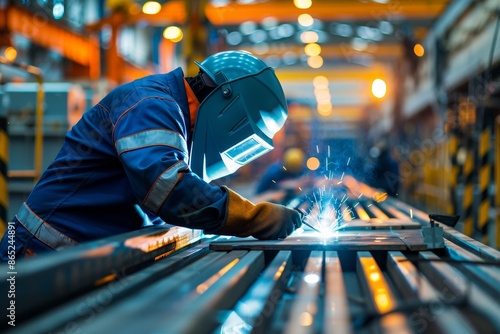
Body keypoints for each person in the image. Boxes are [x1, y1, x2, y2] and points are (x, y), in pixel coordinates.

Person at [0, 50, 302, 261]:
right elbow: (169, 189)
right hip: (38, 255)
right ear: (227, 107)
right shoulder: (151, 105)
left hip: (77, 259)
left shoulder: (174, 121)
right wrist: (252, 218)